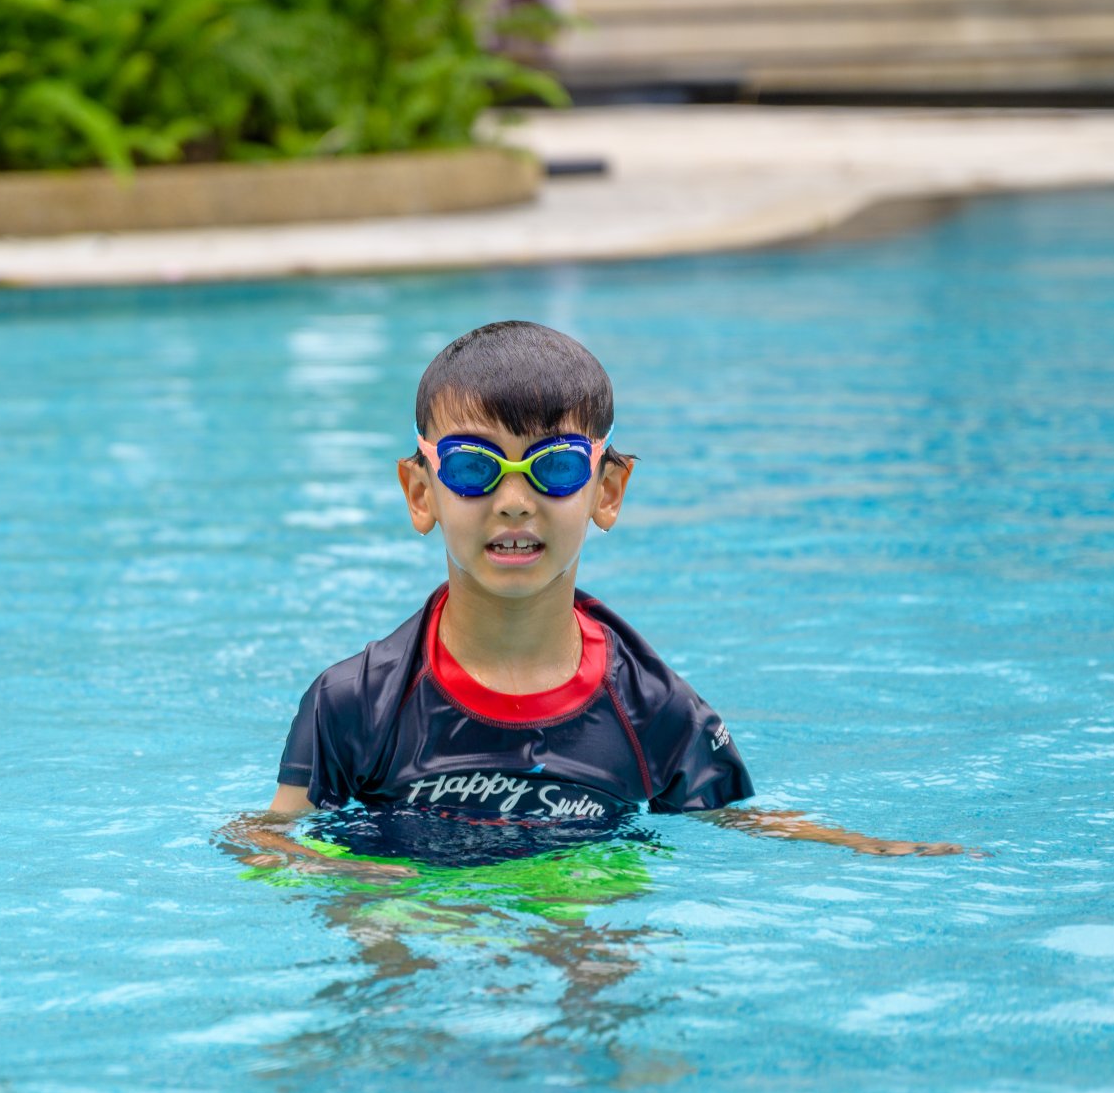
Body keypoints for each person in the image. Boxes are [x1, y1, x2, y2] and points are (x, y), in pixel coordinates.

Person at [232, 320, 966, 893]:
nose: (513, 502)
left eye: (553, 467)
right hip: (413, 903)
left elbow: (739, 821)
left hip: (575, 897)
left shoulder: (658, 713)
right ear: (421, 492)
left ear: (607, 491)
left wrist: (860, 847)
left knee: (596, 919)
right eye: (471, 467)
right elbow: (264, 837)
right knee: (383, 934)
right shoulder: (354, 702)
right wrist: (355, 877)